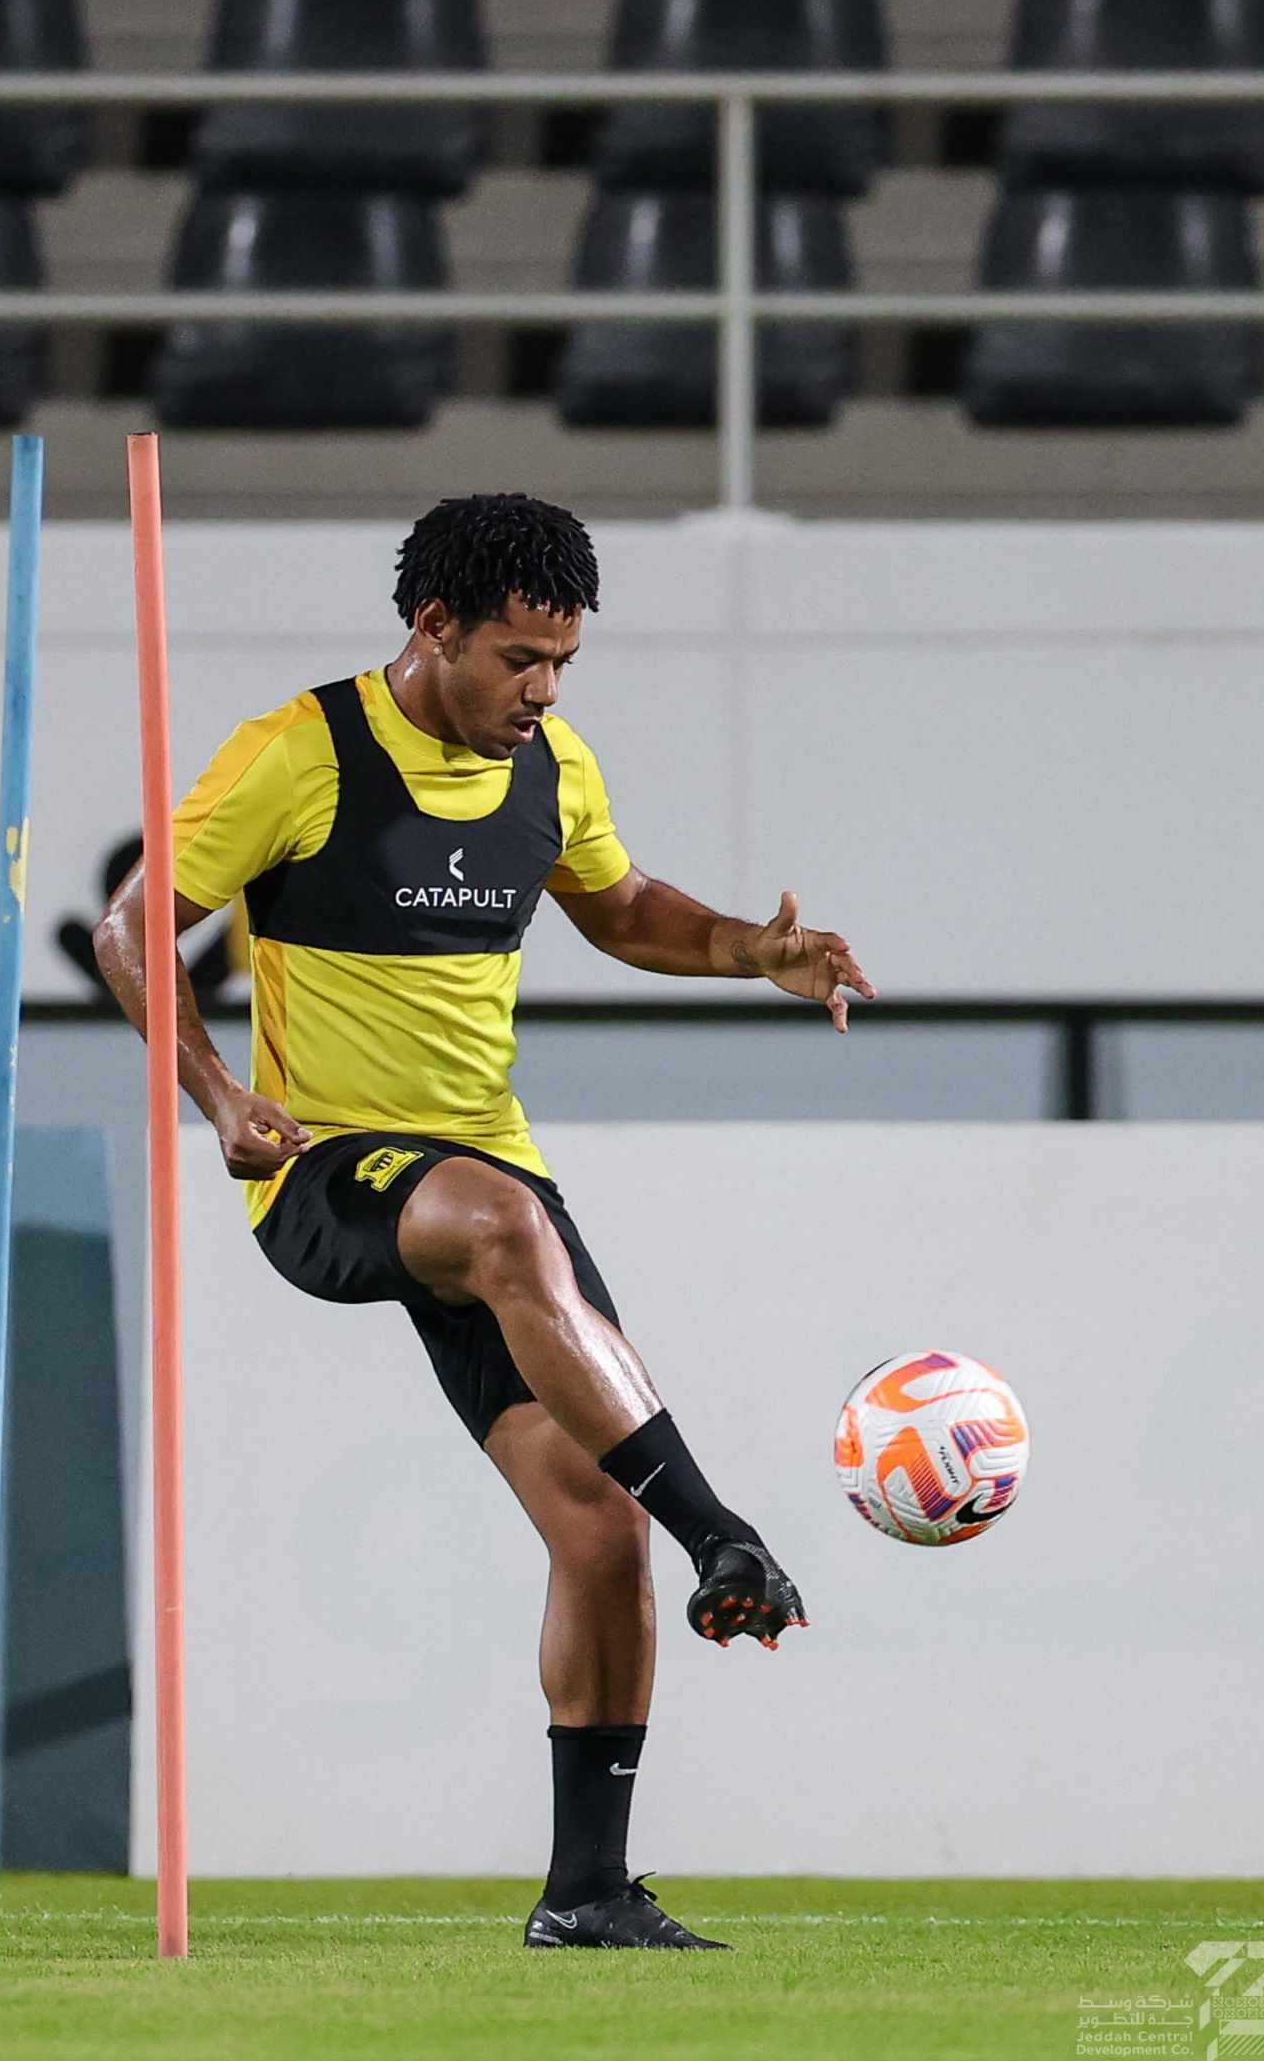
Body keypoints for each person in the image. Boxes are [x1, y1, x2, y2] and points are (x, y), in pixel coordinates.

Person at [95, 492, 873, 1950]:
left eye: (562, 663)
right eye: (518, 658)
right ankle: (723, 1530)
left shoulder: (549, 763)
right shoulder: (298, 754)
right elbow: (131, 927)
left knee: (594, 1534)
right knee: (511, 1232)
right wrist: (214, 1098)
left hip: (485, 1174)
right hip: (326, 1170)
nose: (543, 690)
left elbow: (624, 905)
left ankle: (587, 1892)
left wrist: (747, 951)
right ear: (433, 628)